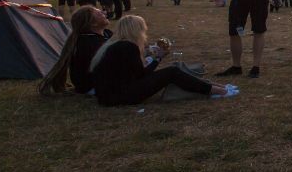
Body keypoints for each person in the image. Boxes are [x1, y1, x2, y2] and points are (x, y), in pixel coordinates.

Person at [89, 15, 237, 106]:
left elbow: (130, 73)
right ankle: (217, 91)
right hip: (121, 96)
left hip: (110, 95)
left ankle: (217, 87)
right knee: (172, 72)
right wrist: (158, 58)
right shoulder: (128, 47)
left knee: (173, 70)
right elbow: (142, 75)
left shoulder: (115, 45)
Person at [38, 5, 112, 95]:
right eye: (99, 13)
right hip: (93, 86)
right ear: (93, 24)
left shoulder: (106, 34)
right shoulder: (87, 43)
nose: (104, 13)